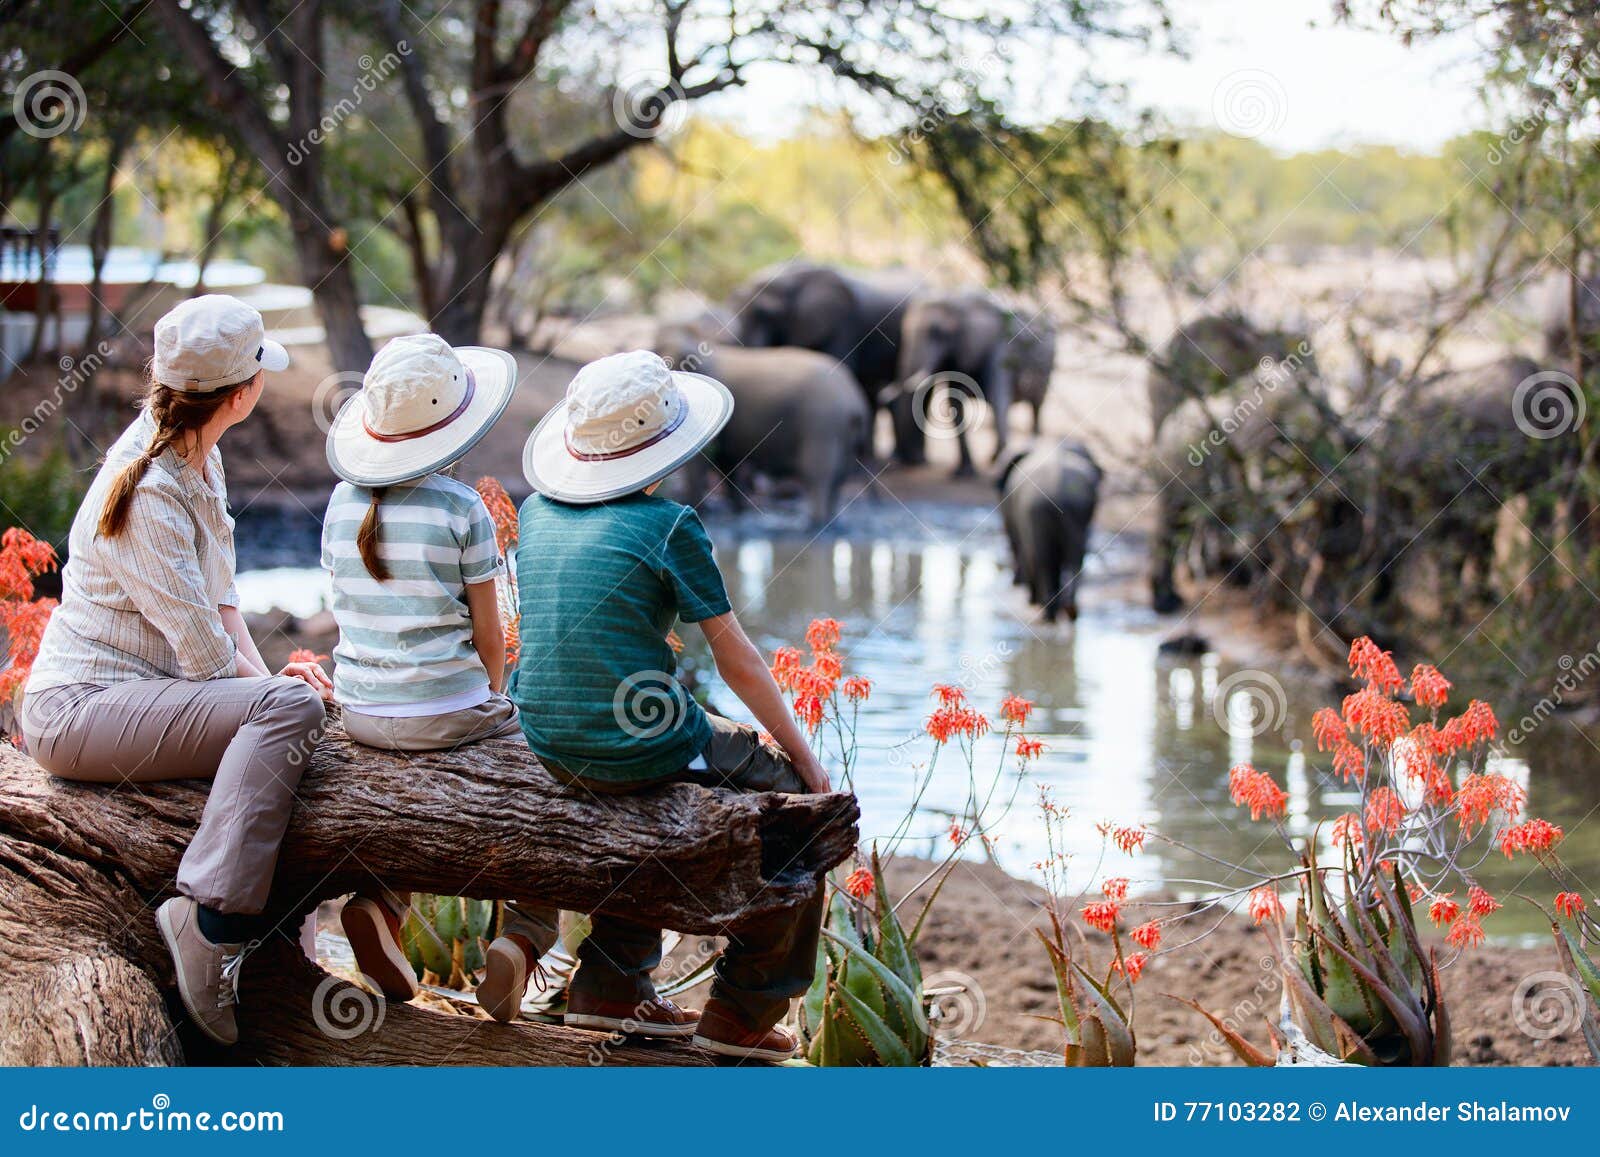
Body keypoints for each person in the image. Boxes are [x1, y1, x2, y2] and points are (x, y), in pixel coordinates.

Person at [18, 295, 332, 1046]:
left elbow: (223, 608)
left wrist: (278, 680)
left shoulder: (199, 454)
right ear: (242, 392)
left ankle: (280, 953)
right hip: (78, 711)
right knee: (291, 716)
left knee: (293, 710)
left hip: (136, 698)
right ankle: (207, 917)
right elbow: (202, 657)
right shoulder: (151, 488)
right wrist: (277, 699)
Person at [513, 349, 833, 1063]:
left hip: (545, 735)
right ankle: (745, 1007)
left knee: (646, 792)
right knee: (798, 814)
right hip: (638, 740)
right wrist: (806, 759)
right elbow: (737, 657)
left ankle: (611, 985)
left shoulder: (536, 510)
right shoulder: (668, 523)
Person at [321, 332, 558, 1021]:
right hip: (450, 710)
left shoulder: (340, 504)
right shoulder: (462, 510)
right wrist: (494, 697)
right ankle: (525, 933)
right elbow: (489, 634)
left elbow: (346, 609)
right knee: (544, 787)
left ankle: (382, 902)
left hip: (361, 710)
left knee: (407, 789)